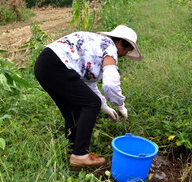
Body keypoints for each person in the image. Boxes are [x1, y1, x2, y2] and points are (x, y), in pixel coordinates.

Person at [34, 25, 142, 167]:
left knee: (73, 111)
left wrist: (104, 106)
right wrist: (119, 105)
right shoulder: (110, 48)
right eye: (126, 51)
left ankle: (71, 148)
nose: (123, 55)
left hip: (43, 65)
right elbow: (110, 85)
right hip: (57, 65)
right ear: (120, 42)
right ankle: (79, 155)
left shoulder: (97, 44)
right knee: (91, 104)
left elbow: (87, 86)